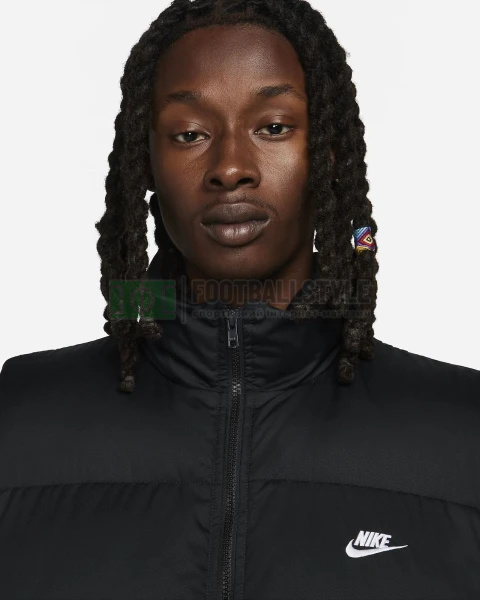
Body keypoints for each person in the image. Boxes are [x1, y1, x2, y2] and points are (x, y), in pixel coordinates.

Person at [1, 0, 479, 598]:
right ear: (145, 162)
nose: (230, 167)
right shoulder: (17, 419)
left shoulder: (463, 430)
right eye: (190, 134)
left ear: (328, 152)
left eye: (273, 127)